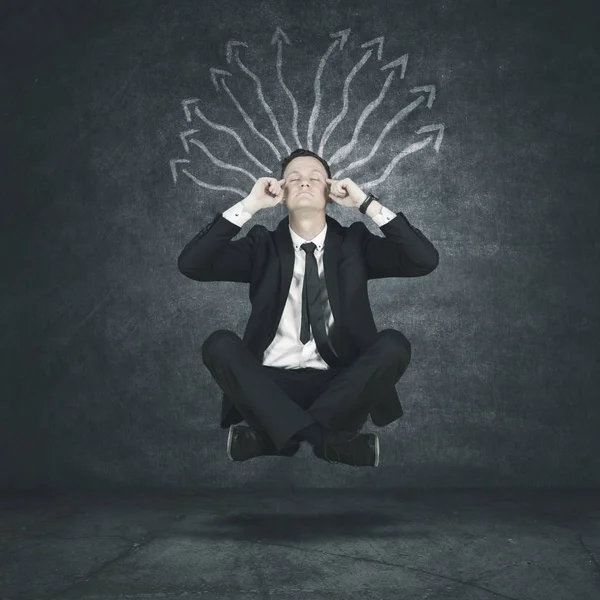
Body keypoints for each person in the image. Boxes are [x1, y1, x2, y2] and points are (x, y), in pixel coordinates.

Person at [177, 149, 439, 467]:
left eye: (315, 178)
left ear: (329, 193)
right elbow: (192, 265)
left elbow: (424, 260)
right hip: (268, 385)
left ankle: (273, 438)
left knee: (393, 345)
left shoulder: (354, 243)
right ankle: (327, 441)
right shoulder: (261, 246)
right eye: (294, 179)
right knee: (219, 344)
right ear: (282, 193)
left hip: (340, 385)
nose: (304, 183)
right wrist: (250, 206)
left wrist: (365, 204)